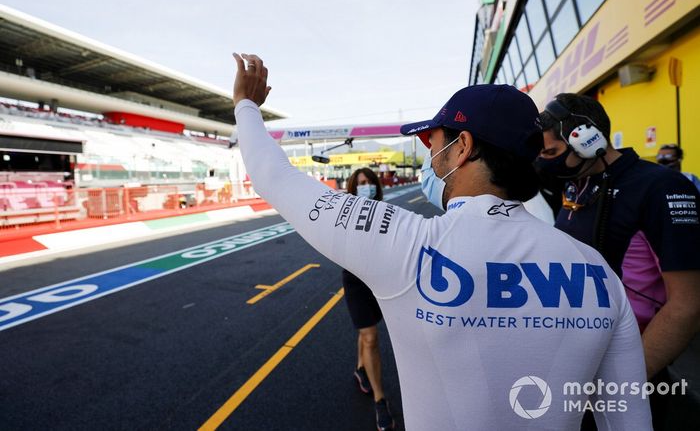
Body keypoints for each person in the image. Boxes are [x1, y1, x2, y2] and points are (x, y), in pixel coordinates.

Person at [232, 53, 651, 430]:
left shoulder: (408, 245)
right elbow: (629, 421)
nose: (430, 156)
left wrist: (246, 105)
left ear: (462, 147)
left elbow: (275, 177)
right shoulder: (597, 270)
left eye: (433, 142)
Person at [536, 93, 700, 429]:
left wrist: (622, 382)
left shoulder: (661, 187)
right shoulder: (577, 185)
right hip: (578, 365)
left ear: (587, 138)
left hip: (629, 371)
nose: (545, 162)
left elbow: (688, 304)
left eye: (551, 152)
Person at [342, 167, 394, 430]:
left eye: (370, 182)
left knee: (366, 332)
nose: (366, 186)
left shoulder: (386, 212)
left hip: (379, 280)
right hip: (355, 281)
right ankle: (380, 400)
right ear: (353, 187)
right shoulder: (345, 214)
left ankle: (360, 368)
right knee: (371, 337)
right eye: (361, 183)